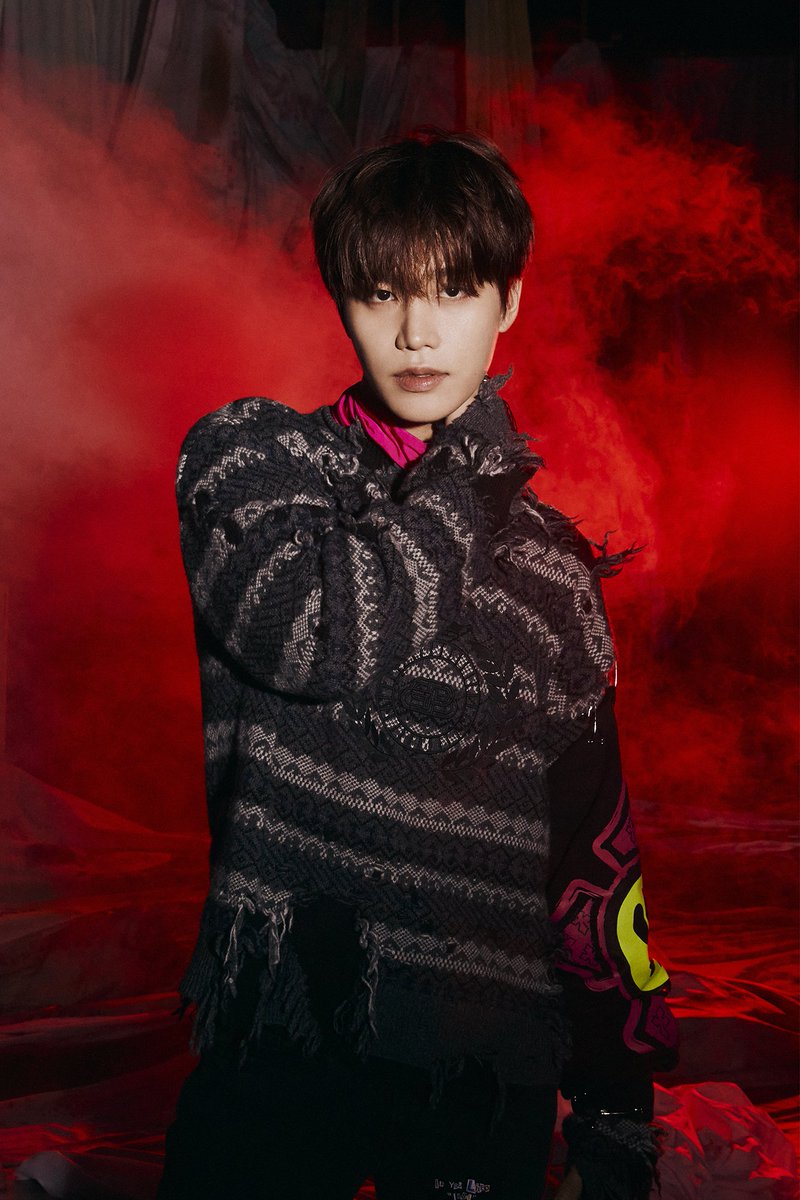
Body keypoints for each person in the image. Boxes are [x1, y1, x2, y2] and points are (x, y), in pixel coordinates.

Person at [158, 131, 678, 1200]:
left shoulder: (549, 566)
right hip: (284, 1035)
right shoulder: (254, 459)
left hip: (478, 1062)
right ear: (341, 301)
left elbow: (590, 848)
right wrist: (476, 476)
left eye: (453, 290)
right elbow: (313, 634)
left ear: (509, 302)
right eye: (382, 291)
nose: (415, 331)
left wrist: (616, 1103)